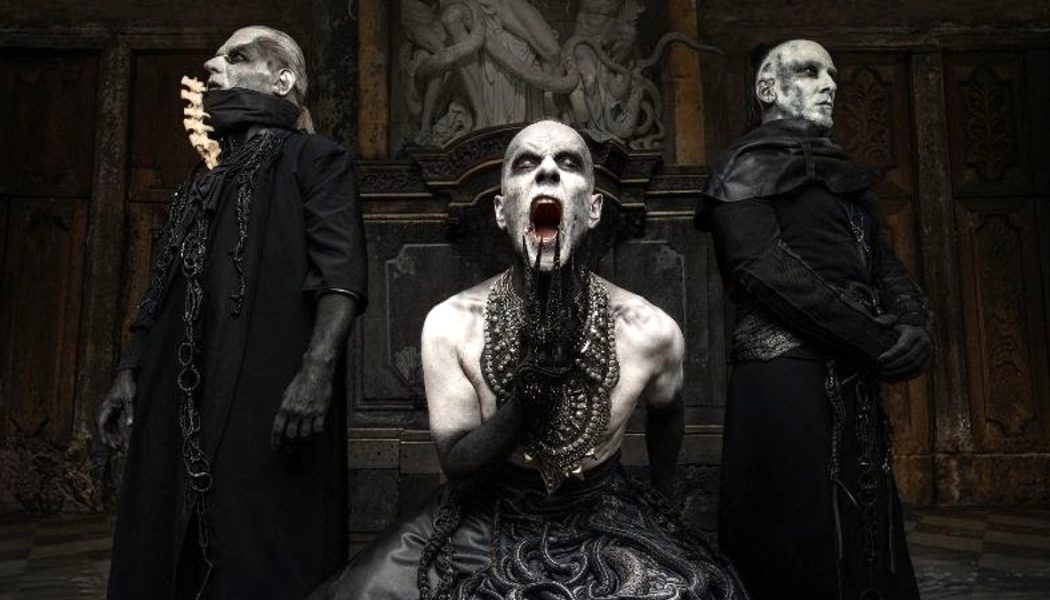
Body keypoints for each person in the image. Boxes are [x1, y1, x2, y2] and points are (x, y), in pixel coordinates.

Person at [310, 120, 746, 600]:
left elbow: (668, 416)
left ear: (594, 208)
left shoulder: (651, 330)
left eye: (568, 162)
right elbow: (458, 467)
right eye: (526, 163)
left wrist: (664, 507)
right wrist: (525, 404)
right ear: (502, 211)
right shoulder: (451, 324)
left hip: (603, 512)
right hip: (487, 514)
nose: (547, 171)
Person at [97, 25, 368, 599]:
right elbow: (163, 282)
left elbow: (340, 273)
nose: (212, 66)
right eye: (218, 56)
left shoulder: (316, 159)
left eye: (236, 57)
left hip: (268, 385)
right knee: (162, 533)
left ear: (282, 80)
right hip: (176, 388)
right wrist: (129, 369)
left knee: (259, 535)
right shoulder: (201, 180)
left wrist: (316, 370)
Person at [695, 39, 933, 600]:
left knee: (865, 534)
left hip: (853, 377)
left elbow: (882, 263)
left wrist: (915, 326)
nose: (828, 84)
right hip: (785, 379)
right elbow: (765, 270)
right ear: (768, 88)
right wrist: (875, 339)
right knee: (796, 537)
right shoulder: (740, 169)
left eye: (832, 74)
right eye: (809, 71)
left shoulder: (842, 175)